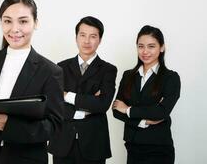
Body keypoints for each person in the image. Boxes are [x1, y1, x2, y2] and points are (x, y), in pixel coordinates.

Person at [0, 0, 64, 164]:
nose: (14, 29)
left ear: (35, 23)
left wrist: (7, 126)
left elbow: (54, 126)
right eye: (7, 21)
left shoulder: (50, 71)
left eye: (23, 21)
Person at [48, 16, 117, 164]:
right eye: (83, 35)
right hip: (62, 142)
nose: (87, 41)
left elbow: (103, 104)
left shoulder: (108, 70)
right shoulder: (60, 68)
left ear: (100, 39)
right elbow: (54, 105)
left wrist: (67, 96)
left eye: (93, 36)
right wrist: (85, 109)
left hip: (94, 144)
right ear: (76, 37)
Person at [112, 25, 181, 164]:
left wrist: (127, 109)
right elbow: (116, 110)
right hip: (132, 146)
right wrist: (144, 121)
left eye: (151, 46)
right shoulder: (128, 75)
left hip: (159, 148)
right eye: (140, 46)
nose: (145, 51)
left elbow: (161, 112)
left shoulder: (170, 78)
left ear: (162, 47)